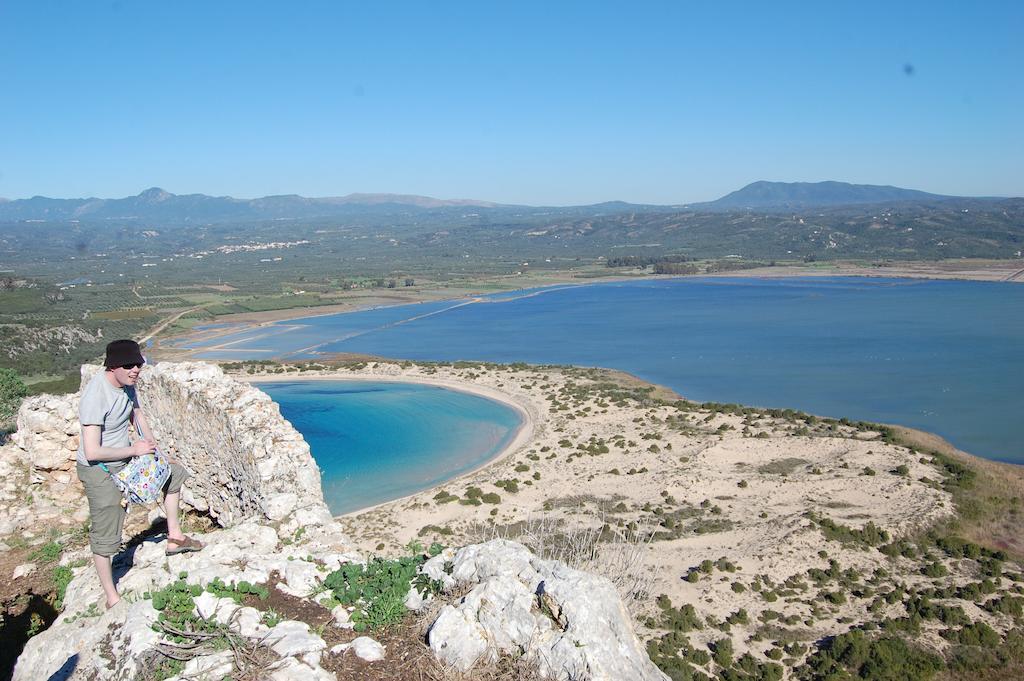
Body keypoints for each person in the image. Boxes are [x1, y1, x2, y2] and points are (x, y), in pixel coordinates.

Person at [76, 339, 203, 608]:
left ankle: (175, 537)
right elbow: (92, 451)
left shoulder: (126, 386)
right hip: (99, 468)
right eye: (129, 365)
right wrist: (135, 449)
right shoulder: (96, 395)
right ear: (112, 367)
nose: (136, 369)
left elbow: (137, 415)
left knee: (173, 474)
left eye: (139, 364)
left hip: (125, 456)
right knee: (108, 526)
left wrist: (154, 450)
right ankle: (111, 597)